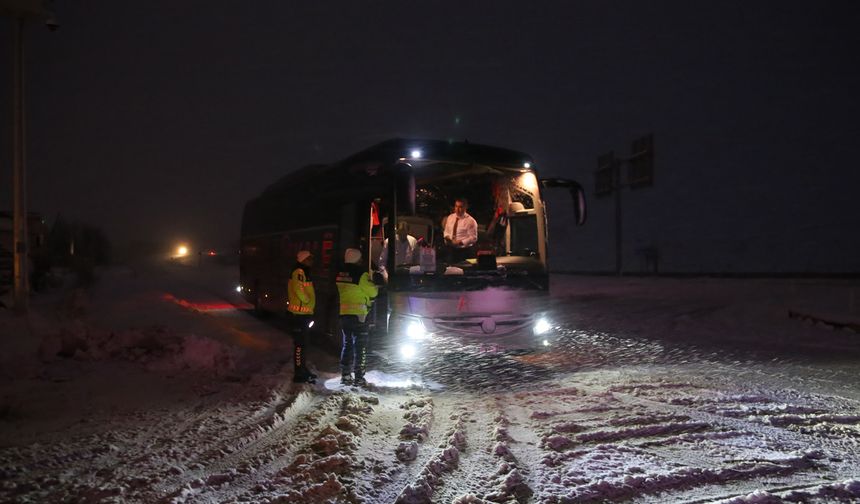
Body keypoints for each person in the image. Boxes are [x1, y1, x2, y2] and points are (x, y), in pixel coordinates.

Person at [336, 248, 378, 387]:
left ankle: (345, 375)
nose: (361, 261)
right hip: (360, 315)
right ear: (356, 259)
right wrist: (375, 284)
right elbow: (372, 292)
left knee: (347, 344)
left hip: (344, 314)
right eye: (360, 259)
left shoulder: (340, 273)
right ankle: (359, 377)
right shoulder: (361, 274)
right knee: (360, 346)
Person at [287, 250, 317, 384]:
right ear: (304, 259)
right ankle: (299, 374)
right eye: (310, 259)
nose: (312, 261)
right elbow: (299, 289)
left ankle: (303, 369)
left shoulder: (304, 271)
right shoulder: (299, 272)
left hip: (303, 314)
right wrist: (306, 300)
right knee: (300, 345)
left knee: (303, 344)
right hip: (299, 314)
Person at [443, 198, 478, 262]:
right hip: (451, 250)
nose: (457, 209)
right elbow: (446, 231)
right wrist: (447, 237)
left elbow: (473, 238)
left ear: (465, 207)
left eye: (460, 207)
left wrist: (461, 242)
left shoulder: (470, 221)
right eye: (456, 206)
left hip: (464, 251)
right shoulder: (450, 217)